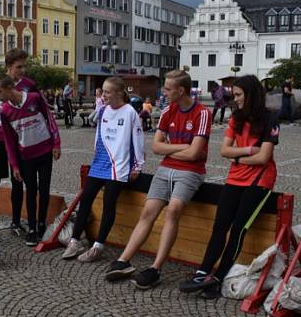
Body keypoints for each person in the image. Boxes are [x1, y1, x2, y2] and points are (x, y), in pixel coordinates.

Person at [105, 70, 210, 289]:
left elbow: (194, 155)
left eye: (168, 88)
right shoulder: (168, 111)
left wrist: (171, 150)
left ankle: (155, 268)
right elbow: (156, 147)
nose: (164, 91)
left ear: (181, 90)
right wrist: (183, 147)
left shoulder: (202, 113)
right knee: (147, 212)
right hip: (166, 168)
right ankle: (124, 260)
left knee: (173, 210)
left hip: (191, 171)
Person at [178, 75, 280, 295]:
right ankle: (202, 272)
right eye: (234, 95)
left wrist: (237, 157)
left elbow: (263, 158)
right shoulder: (236, 118)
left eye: (239, 95)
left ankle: (217, 278)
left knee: (237, 230)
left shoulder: (270, 118)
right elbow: (224, 150)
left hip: (259, 181)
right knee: (219, 227)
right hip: (235, 178)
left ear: (251, 95)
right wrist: (245, 152)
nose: (235, 99)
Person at [62, 77, 145, 263]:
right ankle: (74, 240)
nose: (103, 95)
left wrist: (138, 166)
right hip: (99, 163)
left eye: (107, 92)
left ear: (118, 93)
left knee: (109, 204)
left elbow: (138, 140)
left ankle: (98, 246)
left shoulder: (130, 112)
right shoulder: (104, 110)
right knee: (85, 201)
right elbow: (99, 133)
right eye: (104, 91)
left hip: (119, 166)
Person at [0, 74, 62, 246]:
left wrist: (56, 143)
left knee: (44, 188)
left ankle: (41, 224)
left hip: (45, 151)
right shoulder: (5, 111)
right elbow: (9, 141)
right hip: (26, 157)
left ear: (9, 88)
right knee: (31, 191)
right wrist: (15, 165)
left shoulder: (34, 98)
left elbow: (50, 119)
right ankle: (32, 228)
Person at [0, 48, 34, 235]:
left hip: (18, 139)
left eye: (24, 66)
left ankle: (16, 222)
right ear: (8, 66)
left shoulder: (29, 84)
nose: (23, 70)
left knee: (17, 181)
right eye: (19, 66)